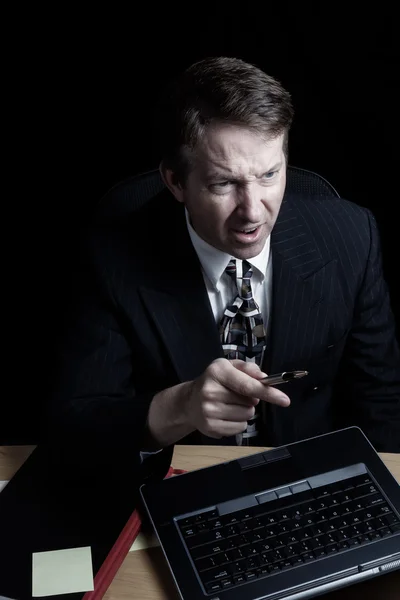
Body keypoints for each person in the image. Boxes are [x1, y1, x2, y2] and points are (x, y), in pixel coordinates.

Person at [50, 56, 400, 484]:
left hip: (315, 484)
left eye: (269, 175)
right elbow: (76, 426)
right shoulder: (113, 256)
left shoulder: (351, 236)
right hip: (177, 487)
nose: (253, 212)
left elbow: (382, 403)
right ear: (176, 182)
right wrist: (179, 407)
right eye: (224, 184)